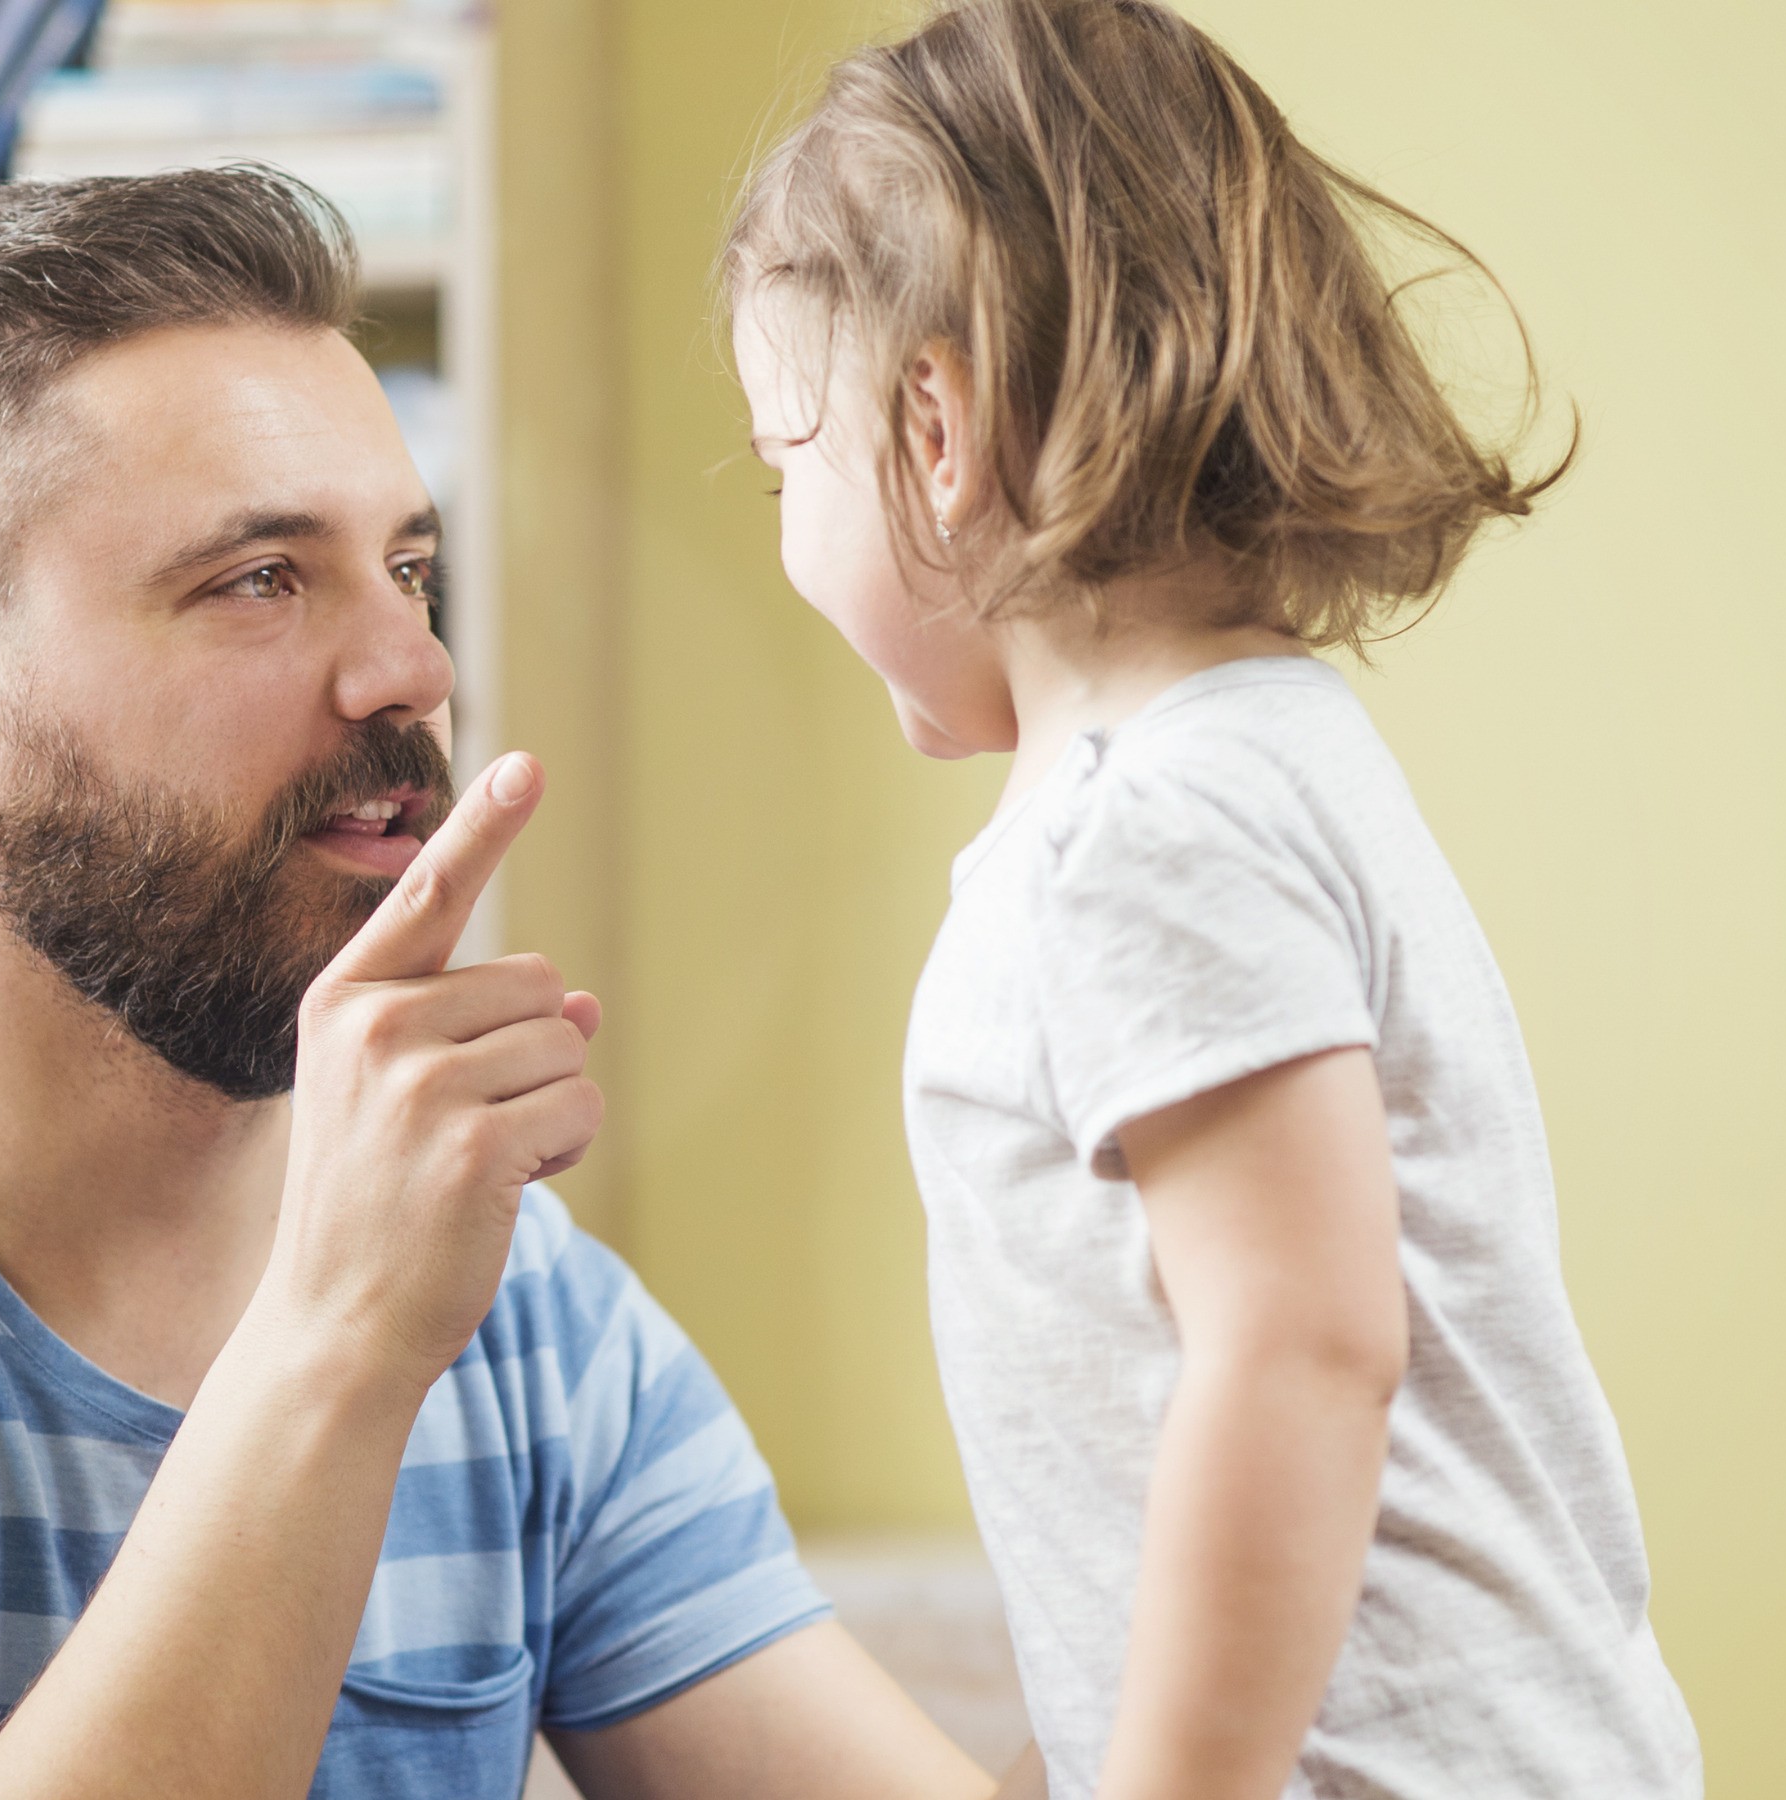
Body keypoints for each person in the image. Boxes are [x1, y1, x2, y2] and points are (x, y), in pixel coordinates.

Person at [0, 170, 1020, 1800]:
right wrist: (341, 1342)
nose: (414, 669)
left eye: (409, 569)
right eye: (260, 580)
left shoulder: (529, 1319)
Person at [721, 3, 1705, 1797]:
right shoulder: (1260, 758)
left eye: (787, 463)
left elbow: (1298, 1352)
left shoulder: (1139, 834)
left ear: (934, 429)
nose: (782, 531)